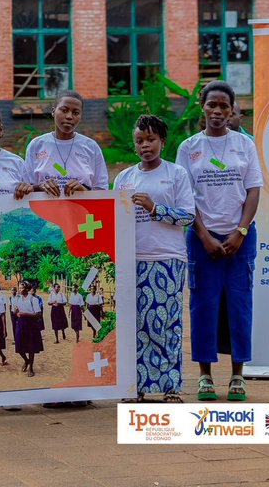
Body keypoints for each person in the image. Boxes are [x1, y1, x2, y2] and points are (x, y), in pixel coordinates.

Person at [176, 80, 262, 402]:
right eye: (212, 104)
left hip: (240, 240)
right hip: (202, 241)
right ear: (202, 106)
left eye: (224, 106)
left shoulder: (244, 145)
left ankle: (238, 376)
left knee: (239, 305)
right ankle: (205, 376)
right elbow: (185, 198)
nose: (217, 111)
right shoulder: (188, 148)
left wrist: (240, 232)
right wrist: (204, 236)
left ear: (232, 110)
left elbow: (253, 190)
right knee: (204, 306)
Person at [113, 113, 195, 403]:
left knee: (166, 322)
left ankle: (171, 386)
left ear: (162, 141)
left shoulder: (176, 174)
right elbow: (114, 219)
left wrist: (155, 208)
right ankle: (135, 387)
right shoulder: (124, 178)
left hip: (167, 258)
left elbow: (188, 216)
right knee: (134, 326)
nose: (145, 145)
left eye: (150, 139)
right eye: (139, 140)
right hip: (132, 260)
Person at [25, 90, 109, 195]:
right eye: (64, 110)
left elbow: (102, 190)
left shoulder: (91, 147)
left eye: (76, 113)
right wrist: (39, 186)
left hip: (81, 209)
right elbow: (27, 187)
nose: (69, 116)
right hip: (44, 210)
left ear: (81, 116)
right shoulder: (36, 145)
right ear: (53, 111)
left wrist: (84, 191)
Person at [12, 280, 43, 376]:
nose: (20, 290)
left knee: (31, 347)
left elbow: (38, 314)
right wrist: (16, 312)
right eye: (19, 288)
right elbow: (15, 312)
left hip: (31, 324)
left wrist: (24, 314)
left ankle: (31, 368)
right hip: (21, 324)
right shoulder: (18, 299)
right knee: (19, 345)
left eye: (22, 288)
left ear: (27, 289)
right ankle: (26, 360)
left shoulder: (33, 299)